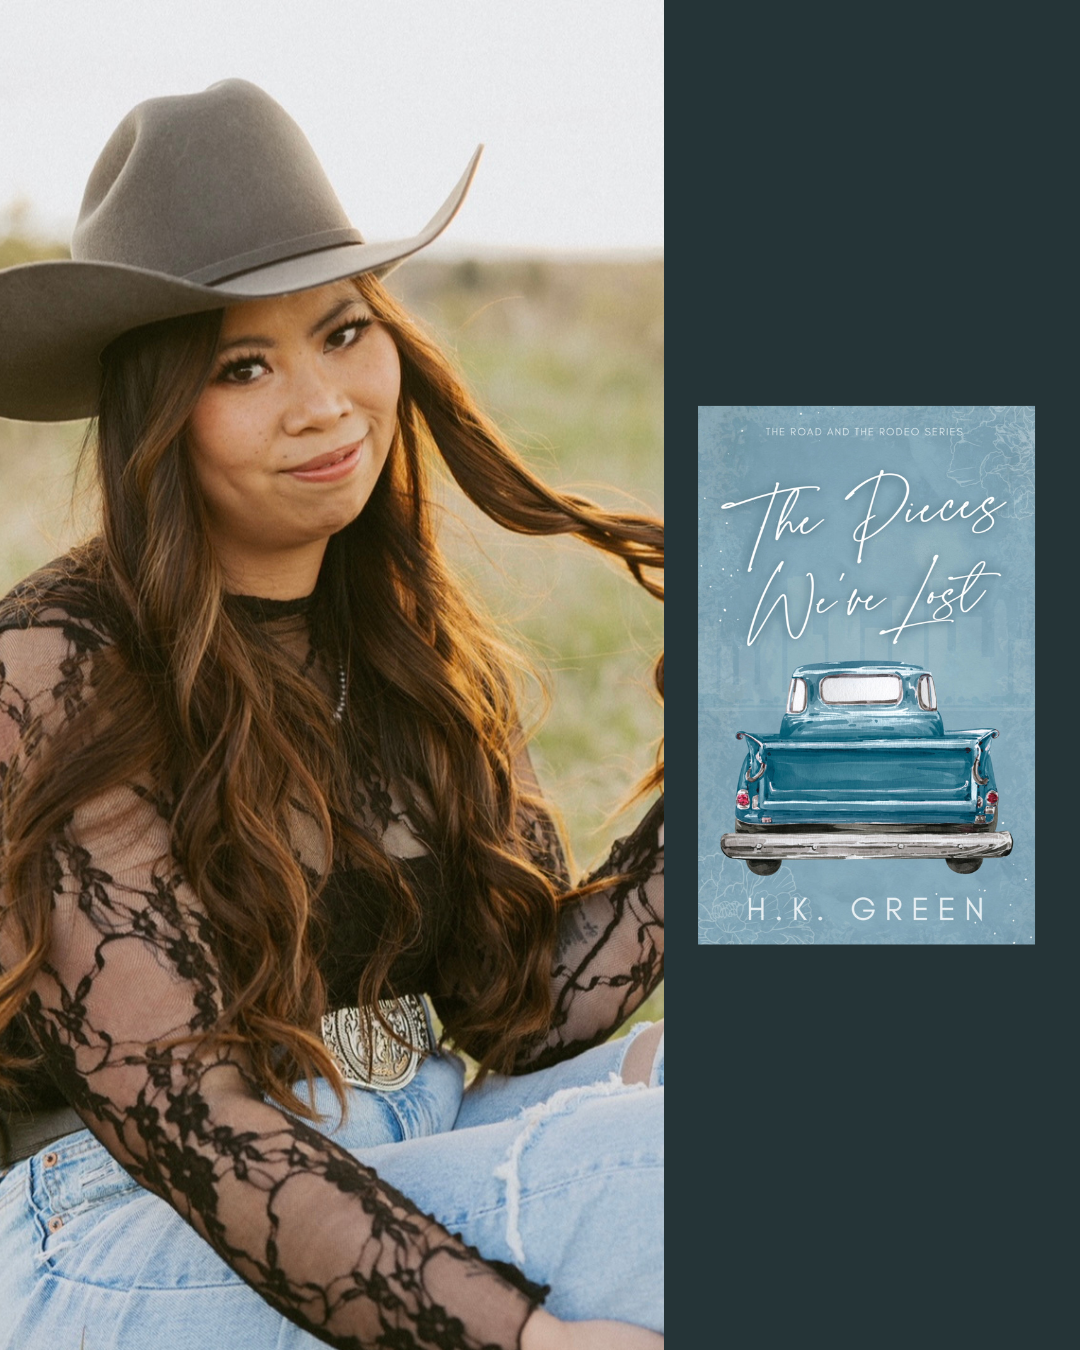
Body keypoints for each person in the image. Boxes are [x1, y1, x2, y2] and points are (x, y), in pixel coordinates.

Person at [0, 80, 663, 1350]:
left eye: (343, 332)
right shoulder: (56, 667)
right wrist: (517, 1341)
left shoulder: (400, 637)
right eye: (244, 364)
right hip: (114, 1221)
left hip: (414, 1135)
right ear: (154, 416)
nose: (322, 403)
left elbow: (513, 1006)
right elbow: (198, 1129)